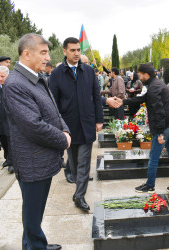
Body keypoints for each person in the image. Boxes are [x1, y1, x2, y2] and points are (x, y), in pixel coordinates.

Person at [3, 33, 70, 250]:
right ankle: (35, 246)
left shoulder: (36, 77)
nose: (47, 57)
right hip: (32, 161)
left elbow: (53, 110)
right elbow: (33, 125)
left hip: (43, 158)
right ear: (26, 53)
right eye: (43, 52)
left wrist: (65, 129)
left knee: (36, 212)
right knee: (32, 215)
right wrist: (62, 138)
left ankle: (36, 243)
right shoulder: (15, 84)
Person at [49, 37, 103, 211]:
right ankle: (78, 192)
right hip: (68, 126)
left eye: (78, 50)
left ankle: (79, 196)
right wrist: (58, 126)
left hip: (86, 124)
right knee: (73, 162)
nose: (76, 53)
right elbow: (53, 102)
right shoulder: (57, 74)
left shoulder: (88, 71)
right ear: (65, 51)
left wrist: (99, 119)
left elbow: (96, 96)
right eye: (72, 50)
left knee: (84, 162)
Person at [113, 64, 169, 194]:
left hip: (164, 128)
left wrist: (160, 132)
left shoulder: (154, 87)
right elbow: (143, 98)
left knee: (153, 157)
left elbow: (159, 111)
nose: (139, 76)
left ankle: (150, 185)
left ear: (146, 74)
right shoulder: (156, 84)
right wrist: (124, 102)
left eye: (140, 74)